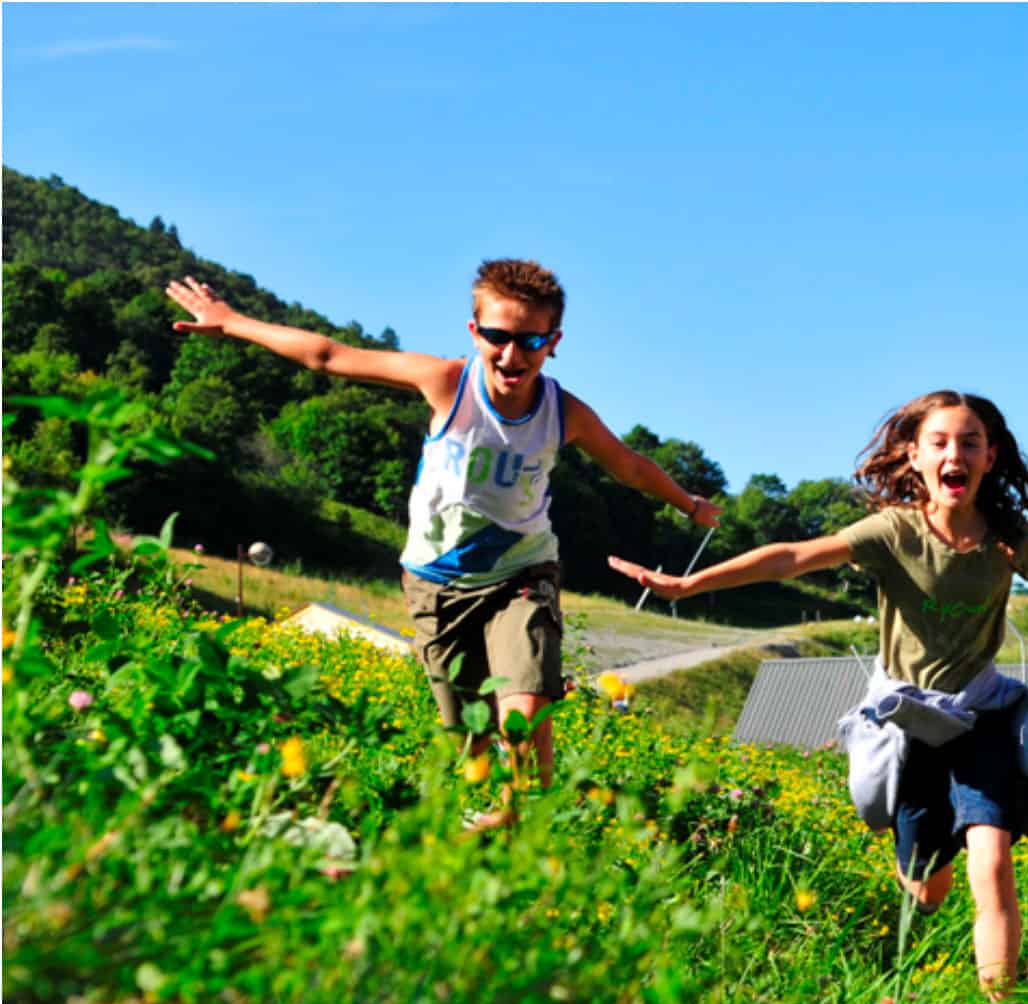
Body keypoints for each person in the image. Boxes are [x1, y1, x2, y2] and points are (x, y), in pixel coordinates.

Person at [608, 389, 1028, 1003]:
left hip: (979, 715)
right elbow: (793, 557)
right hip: (910, 720)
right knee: (926, 888)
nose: (954, 454)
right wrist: (691, 584)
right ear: (913, 456)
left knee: (991, 864)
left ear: (991, 457)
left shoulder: (1009, 538)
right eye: (939, 442)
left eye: (970, 442)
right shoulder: (893, 532)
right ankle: (914, 911)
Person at [166, 262, 720, 815]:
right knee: (472, 738)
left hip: (522, 573)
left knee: (521, 711)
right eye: (498, 338)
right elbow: (328, 355)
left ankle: (523, 828)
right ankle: (484, 820)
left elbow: (629, 466)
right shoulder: (449, 382)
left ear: (553, 342)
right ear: (475, 332)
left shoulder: (563, 412)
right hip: (436, 586)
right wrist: (232, 321)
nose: (512, 356)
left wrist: (689, 504)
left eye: (530, 340)